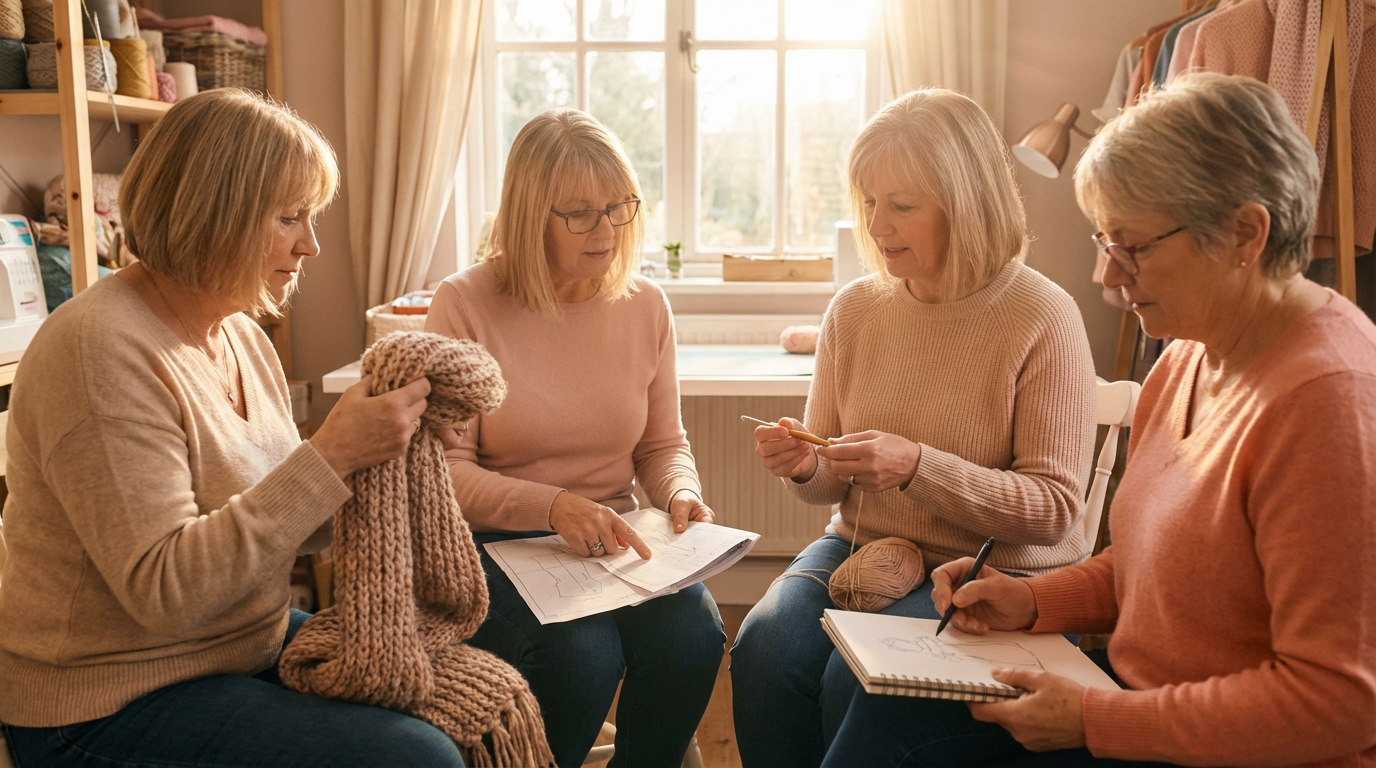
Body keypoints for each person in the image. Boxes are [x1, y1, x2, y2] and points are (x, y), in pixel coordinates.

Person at [821, 72, 1376, 768]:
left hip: (1214, 744)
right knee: (880, 704)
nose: (1105, 278)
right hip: (1137, 710)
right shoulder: (1186, 358)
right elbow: (1149, 570)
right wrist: (1030, 602)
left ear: (1245, 233)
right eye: (1102, 240)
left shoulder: (1329, 400)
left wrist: (1100, 719)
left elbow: (1339, 704)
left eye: (1132, 246)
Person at [0, 90, 465, 768]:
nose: (311, 244)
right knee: (415, 758)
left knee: (460, 687)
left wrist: (381, 455)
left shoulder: (240, 335)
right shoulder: (98, 349)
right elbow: (167, 592)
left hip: (233, 648)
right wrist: (332, 454)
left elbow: (281, 522)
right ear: (215, 214)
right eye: (290, 218)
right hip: (103, 703)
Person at [731, 87, 1098, 768]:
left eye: (901, 206)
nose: (877, 224)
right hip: (862, 553)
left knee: (855, 678)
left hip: (993, 576)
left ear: (967, 204)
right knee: (764, 648)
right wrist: (805, 467)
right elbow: (825, 494)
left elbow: (1053, 511)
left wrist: (916, 467)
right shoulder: (854, 310)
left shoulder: (1042, 315)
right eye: (868, 201)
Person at [425, 108, 725, 768]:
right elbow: (448, 471)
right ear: (533, 214)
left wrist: (680, 492)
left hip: (609, 539)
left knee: (695, 634)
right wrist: (554, 507)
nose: (609, 230)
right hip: (495, 544)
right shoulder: (465, 302)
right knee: (584, 654)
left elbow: (661, 445)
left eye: (621, 208)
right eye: (582, 213)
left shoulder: (645, 304)